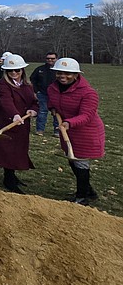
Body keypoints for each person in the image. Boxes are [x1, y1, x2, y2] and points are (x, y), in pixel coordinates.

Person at [48, 57, 105, 206]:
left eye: (68, 74)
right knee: (73, 161)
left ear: (76, 75)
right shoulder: (52, 88)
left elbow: (87, 115)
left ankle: (81, 197)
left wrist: (69, 122)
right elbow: (52, 101)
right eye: (60, 73)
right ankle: (89, 191)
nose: (63, 76)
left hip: (86, 132)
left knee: (81, 164)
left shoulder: (88, 93)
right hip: (67, 131)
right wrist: (52, 108)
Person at [0, 54, 38, 193]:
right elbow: (5, 101)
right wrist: (14, 114)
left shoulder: (27, 84)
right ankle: (8, 179)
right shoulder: (3, 84)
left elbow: (34, 101)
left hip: (22, 123)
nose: (14, 73)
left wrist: (33, 110)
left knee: (18, 149)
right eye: (10, 71)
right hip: (7, 121)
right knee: (7, 150)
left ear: (23, 70)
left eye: (17, 70)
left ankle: (12, 175)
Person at [30, 51, 59, 137]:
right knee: (42, 112)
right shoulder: (40, 69)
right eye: (48, 58)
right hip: (42, 94)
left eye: (52, 58)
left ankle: (57, 131)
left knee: (57, 113)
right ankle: (40, 130)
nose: (50, 60)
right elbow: (32, 80)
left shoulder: (60, 70)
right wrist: (36, 91)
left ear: (56, 59)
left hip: (56, 96)